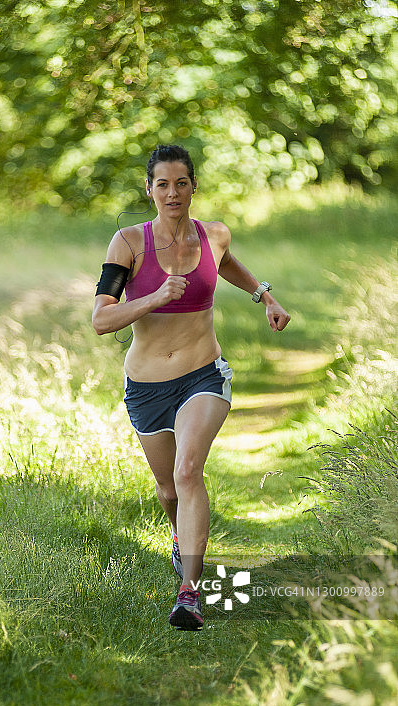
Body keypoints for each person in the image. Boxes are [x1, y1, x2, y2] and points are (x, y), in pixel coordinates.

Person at [92, 144, 290, 631]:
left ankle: (190, 593)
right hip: (146, 387)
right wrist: (154, 297)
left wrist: (265, 296)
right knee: (167, 489)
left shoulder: (213, 234)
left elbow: (226, 263)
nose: (173, 192)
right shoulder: (128, 243)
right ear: (150, 190)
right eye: (163, 184)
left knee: (187, 470)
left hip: (204, 374)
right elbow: (101, 320)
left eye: (181, 183)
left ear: (193, 187)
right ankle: (181, 537)